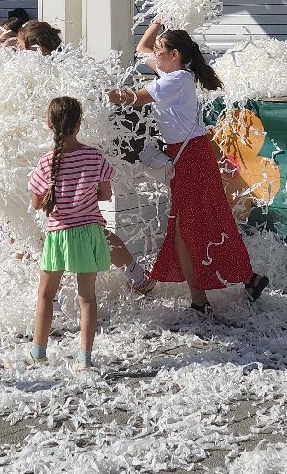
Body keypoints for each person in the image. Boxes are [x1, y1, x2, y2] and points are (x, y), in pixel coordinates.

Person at [110, 20, 267, 313]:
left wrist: (96, 94)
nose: (154, 55)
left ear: (174, 54)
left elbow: (134, 99)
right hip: (190, 155)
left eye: (160, 51)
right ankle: (246, 280)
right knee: (204, 221)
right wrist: (157, 24)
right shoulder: (170, 72)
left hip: (192, 158)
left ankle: (201, 300)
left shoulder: (177, 79)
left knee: (187, 227)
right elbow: (141, 47)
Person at [14, 20, 153, 292]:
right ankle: (129, 276)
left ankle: (135, 276)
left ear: (37, 48)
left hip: (72, 156)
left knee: (88, 227)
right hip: (55, 157)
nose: (18, 54)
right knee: (73, 227)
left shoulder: (65, 72)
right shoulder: (36, 75)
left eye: (21, 48)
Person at [28, 96, 113, 368]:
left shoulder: (45, 162)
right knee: (87, 298)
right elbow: (105, 194)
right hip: (88, 232)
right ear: (79, 124)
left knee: (45, 295)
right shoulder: (94, 156)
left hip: (59, 234)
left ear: (48, 124)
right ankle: (85, 359)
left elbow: (36, 202)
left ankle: (38, 353)